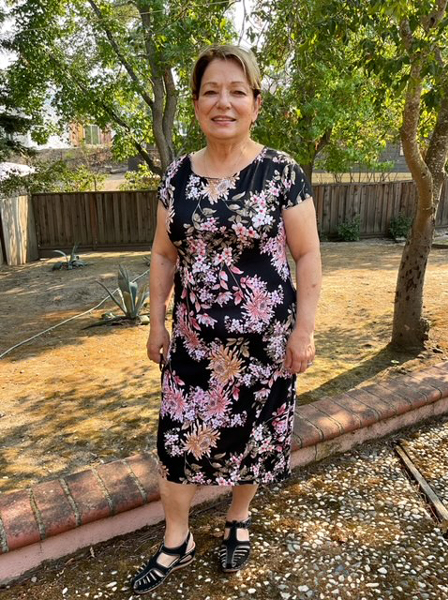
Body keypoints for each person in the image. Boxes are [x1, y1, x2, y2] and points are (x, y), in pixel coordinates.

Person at [130, 44, 322, 595]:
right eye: (211, 91)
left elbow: (307, 254)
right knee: (176, 444)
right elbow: (163, 254)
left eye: (237, 91)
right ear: (195, 104)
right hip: (193, 345)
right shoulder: (177, 176)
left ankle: (238, 518)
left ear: (255, 104)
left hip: (266, 347)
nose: (224, 102)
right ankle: (178, 540)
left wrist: (304, 331)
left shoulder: (281, 172)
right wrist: (157, 324)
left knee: (254, 440)